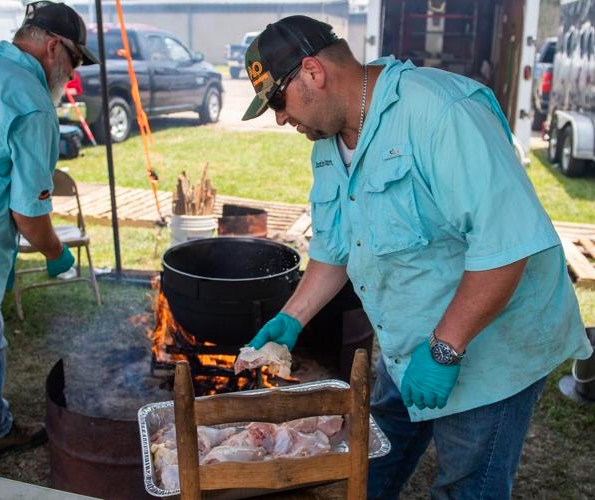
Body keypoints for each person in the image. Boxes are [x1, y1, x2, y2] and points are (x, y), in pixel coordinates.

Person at [241, 15, 593, 499]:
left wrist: (445, 348)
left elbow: (507, 248)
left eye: (278, 101)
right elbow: (336, 248)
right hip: (408, 342)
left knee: (466, 488)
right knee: (368, 468)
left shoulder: (442, 113)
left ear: (312, 72)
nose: (280, 117)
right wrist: (291, 318)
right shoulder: (326, 145)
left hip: (492, 349)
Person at [0, 1, 98, 457]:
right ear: (54, 46)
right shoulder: (33, 106)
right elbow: (29, 216)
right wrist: (56, 253)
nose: (72, 75)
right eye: (74, 60)